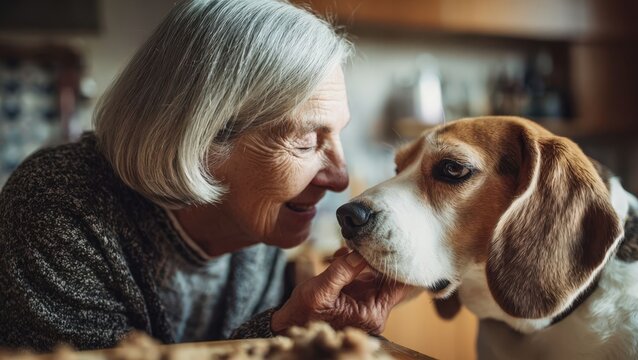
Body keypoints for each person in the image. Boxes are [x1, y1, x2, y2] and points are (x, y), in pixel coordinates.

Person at [0, 0, 410, 352]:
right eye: (305, 141)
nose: (339, 180)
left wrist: (296, 325)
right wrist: (280, 333)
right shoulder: (57, 206)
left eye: (337, 134)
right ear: (199, 137)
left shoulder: (256, 221)